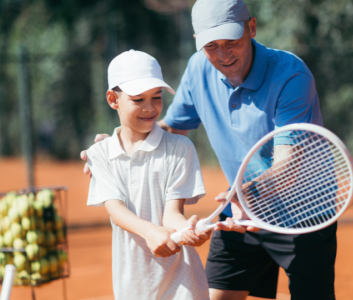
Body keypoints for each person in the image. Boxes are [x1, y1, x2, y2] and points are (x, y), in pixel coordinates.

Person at [82, 1, 337, 300]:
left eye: (231, 41)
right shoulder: (198, 68)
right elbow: (169, 128)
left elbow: (288, 165)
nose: (223, 54)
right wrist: (121, 141)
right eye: (211, 45)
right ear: (197, 43)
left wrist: (248, 194)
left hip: (303, 213)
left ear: (251, 28)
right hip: (239, 210)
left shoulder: (291, 76)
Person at [85, 49, 210, 300]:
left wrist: (189, 230)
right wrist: (151, 232)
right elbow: (116, 210)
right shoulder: (99, 153)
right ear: (113, 99)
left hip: (184, 287)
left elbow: (173, 214)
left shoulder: (179, 148)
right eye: (138, 99)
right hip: (132, 285)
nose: (150, 108)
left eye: (156, 96)